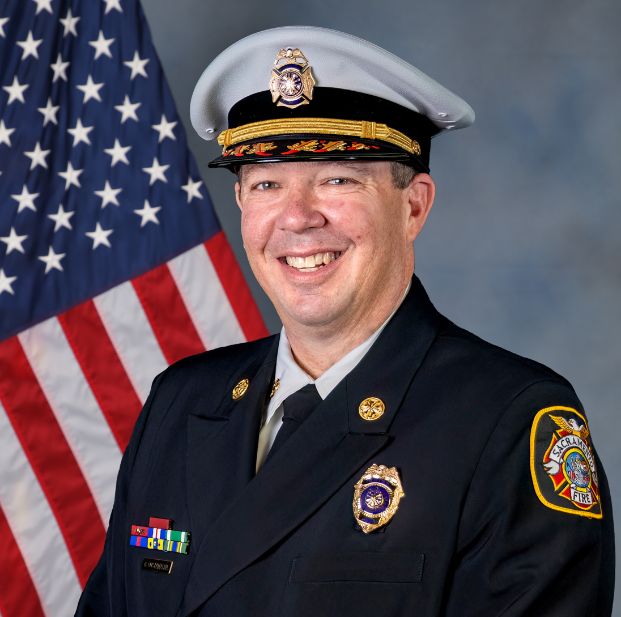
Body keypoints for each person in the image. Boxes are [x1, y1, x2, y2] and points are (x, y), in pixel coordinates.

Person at [76, 26, 615, 616]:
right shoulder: (180, 403)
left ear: (414, 206)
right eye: (266, 184)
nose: (298, 218)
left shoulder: (509, 423)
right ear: (241, 205)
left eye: (337, 179)